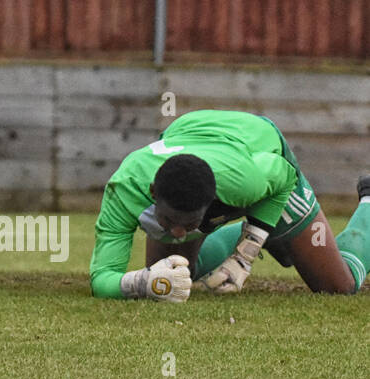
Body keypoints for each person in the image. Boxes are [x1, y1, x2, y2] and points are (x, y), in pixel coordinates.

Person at [90, 109, 370, 301]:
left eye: (189, 224)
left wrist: (244, 256)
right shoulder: (124, 190)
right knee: (170, 273)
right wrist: (141, 282)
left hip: (259, 147)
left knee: (336, 286)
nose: (177, 233)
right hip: (193, 133)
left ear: (214, 201)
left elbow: (284, 177)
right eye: (168, 220)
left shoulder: (245, 181)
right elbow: (102, 277)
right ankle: (266, 234)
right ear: (153, 193)